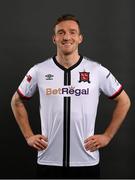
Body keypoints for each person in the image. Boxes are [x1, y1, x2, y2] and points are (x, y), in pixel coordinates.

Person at [11, 14, 131, 178]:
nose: (67, 37)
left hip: (86, 161)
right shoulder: (39, 70)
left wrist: (107, 136)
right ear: (54, 38)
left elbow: (124, 101)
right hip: (48, 161)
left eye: (72, 32)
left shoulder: (96, 70)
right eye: (61, 32)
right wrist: (28, 136)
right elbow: (16, 101)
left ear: (80, 38)